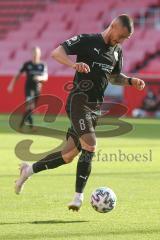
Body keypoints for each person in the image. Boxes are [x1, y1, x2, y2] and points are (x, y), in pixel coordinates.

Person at [14, 14, 145, 211]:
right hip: (78, 103)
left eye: (127, 38)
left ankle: (28, 170)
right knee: (91, 145)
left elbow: (113, 77)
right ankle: (78, 197)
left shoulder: (117, 52)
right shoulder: (86, 40)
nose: (124, 40)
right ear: (113, 27)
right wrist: (73, 64)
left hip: (94, 109)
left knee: (67, 156)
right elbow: (56, 53)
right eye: (123, 36)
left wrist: (130, 81)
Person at [8, 47, 48, 130]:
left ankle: (21, 125)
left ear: (40, 54)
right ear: (32, 54)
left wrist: (39, 78)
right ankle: (31, 127)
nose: (36, 55)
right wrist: (11, 84)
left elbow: (45, 77)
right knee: (30, 106)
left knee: (30, 108)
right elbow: (18, 75)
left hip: (37, 89)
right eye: (34, 53)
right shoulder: (27, 64)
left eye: (37, 53)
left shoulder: (42, 65)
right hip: (29, 89)